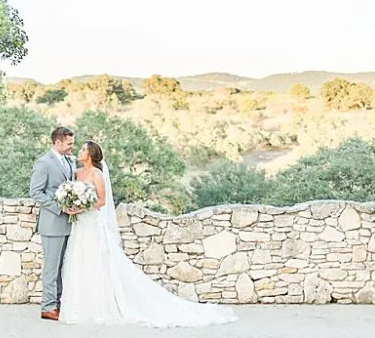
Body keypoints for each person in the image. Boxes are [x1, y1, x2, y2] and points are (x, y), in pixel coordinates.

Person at [58, 140, 239, 327]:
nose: (79, 151)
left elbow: (102, 201)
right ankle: (79, 308)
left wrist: (81, 208)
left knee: (96, 263)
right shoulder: (77, 173)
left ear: (91, 154)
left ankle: (101, 308)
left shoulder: (98, 174)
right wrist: (70, 205)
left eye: (83, 149)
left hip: (92, 223)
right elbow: (72, 193)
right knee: (79, 260)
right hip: (80, 226)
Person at [28, 126, 76, 321]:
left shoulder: (69, 161)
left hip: (68, 223)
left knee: (62, 268)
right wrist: (60, 208)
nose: (72, 147)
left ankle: (59, 303)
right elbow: (35, 193)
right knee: (51, 268)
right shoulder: (43, 163)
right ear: (57, 142)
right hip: (52, 223)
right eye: (69, 143)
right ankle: (48, 307)